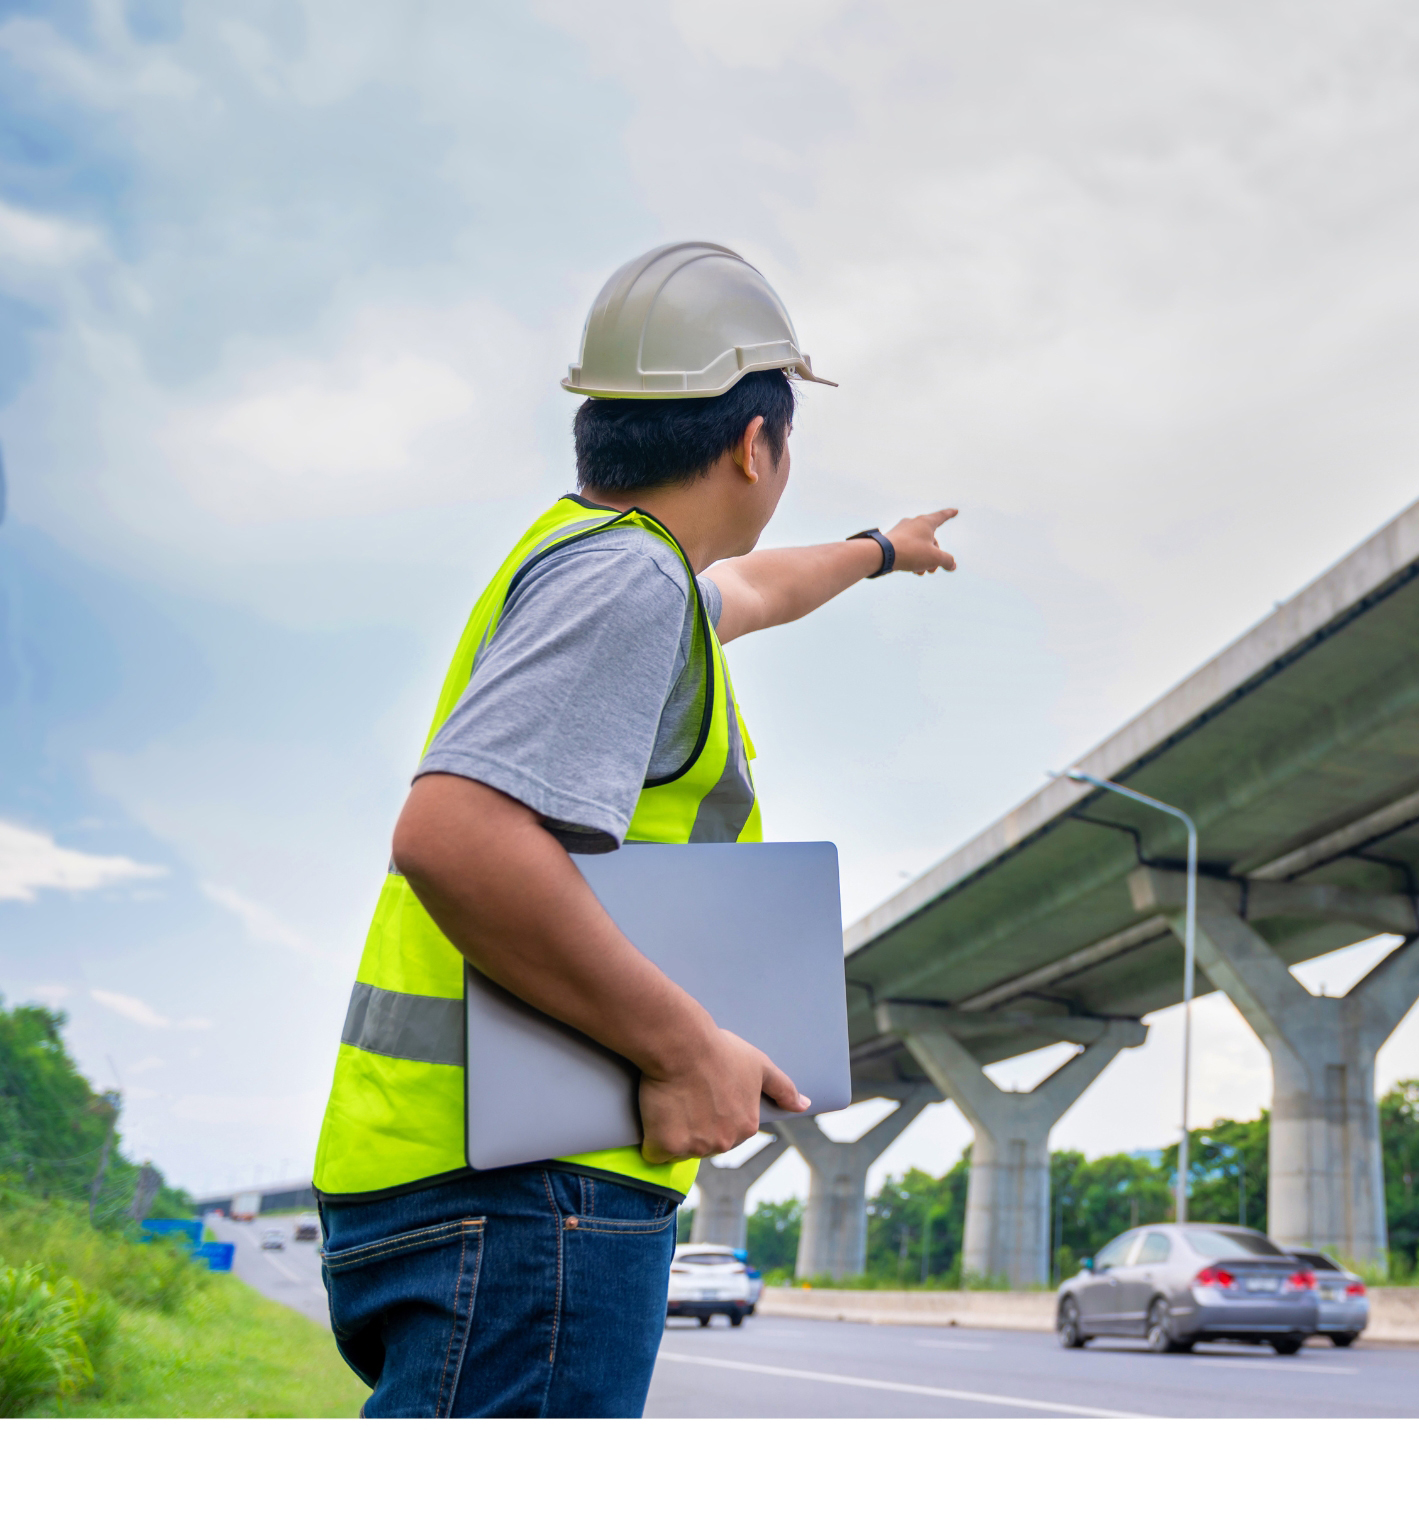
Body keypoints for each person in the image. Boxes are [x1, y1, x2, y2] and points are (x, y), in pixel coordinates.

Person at [309, 243, 955, 1417]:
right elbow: (454, 834)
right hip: (529, 1194)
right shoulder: (627, 584)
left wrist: (877, 551)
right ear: (756, 444)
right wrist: (684, 1046)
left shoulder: (611, 569)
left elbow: (757, 590)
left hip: (461, 1176)